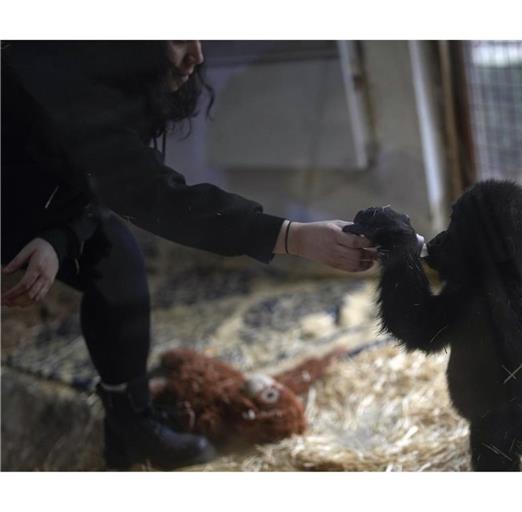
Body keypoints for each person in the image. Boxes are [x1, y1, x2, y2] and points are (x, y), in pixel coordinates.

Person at [1, 41, 374, 470]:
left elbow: (100, 185)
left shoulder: (110, 84)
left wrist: (60, 239)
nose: (196, 55)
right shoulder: (52, 76)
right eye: (178, 36)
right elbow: (158, 198)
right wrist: (294, 237)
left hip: (40, 209)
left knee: (115, 255)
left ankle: (131, 420)